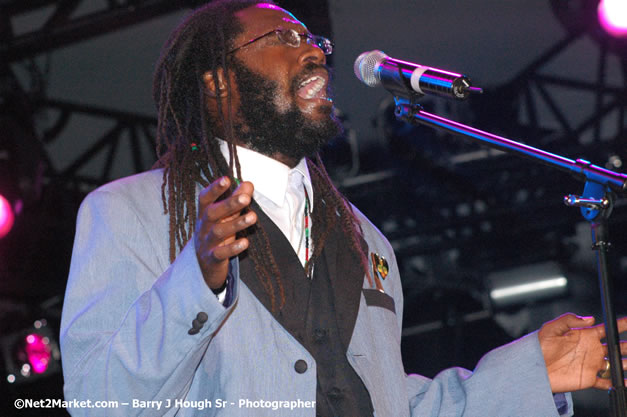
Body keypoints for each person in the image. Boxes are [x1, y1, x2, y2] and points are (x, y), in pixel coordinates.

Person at [60, 1, 627, 416]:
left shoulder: (367, 241)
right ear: (217, 84)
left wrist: (530, 375)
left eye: (315, 41)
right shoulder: (128, 213)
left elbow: (385, 403)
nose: (314, 50)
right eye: (283, 36)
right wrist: (195, 281)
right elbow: (96, 400)